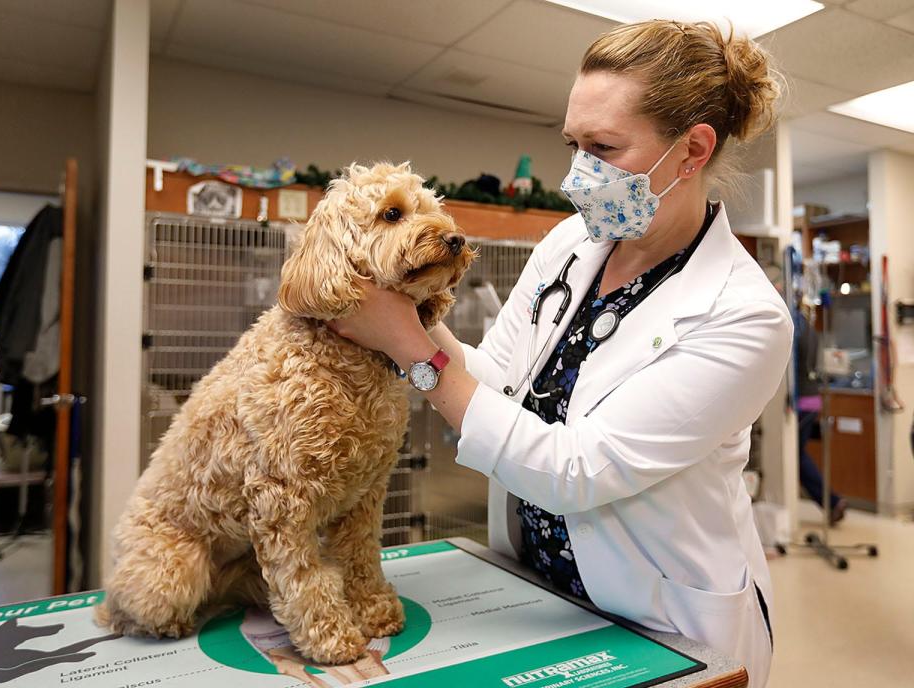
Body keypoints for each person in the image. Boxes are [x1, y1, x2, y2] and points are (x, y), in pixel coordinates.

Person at [329, 20, 791, 688]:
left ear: (691, 151)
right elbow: (497, 381)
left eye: (603, 147)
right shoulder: (570, 243)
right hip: (542, 592)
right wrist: (409, 315)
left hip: (662, 619)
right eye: (574, 144)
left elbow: (576, 471)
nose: (578, 174)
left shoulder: (743, 314)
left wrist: (406, 344)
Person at [794, 305, 847, 524]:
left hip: (802, 400)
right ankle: (832, 502)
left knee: (796, 456)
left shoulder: (794, 326)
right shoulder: (805, 325)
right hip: (811, 399)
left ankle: (832, 501)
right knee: (799, 455)